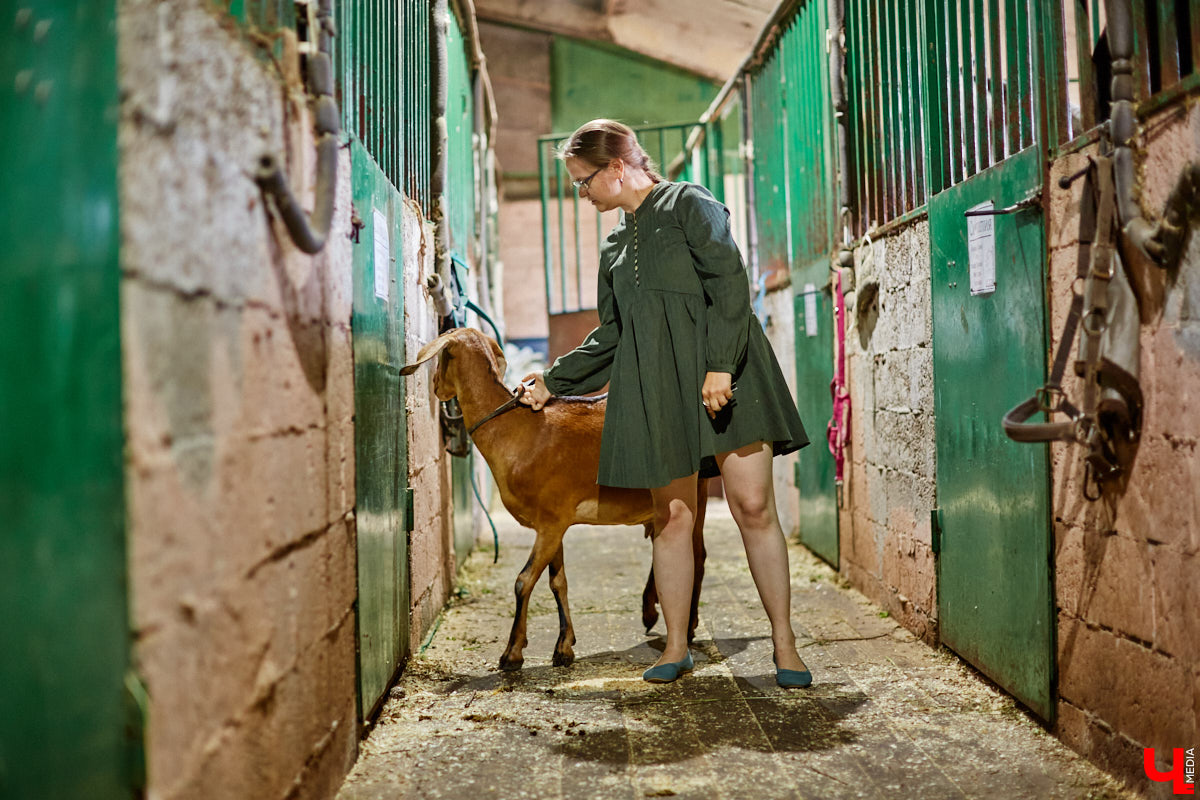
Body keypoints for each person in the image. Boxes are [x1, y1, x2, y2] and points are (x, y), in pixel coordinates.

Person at [519, 119, 812, 688]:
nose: (581, 194)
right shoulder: (614, 246)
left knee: (753, 507)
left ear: (617, 168)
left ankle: (786, 644)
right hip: (660, 386)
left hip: (728, 376)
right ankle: (676, 646)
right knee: (672, 517)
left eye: (583, 182)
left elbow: (730, 283)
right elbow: (613, 333)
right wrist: (555, 381)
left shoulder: (689, 204)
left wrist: (720, 364)